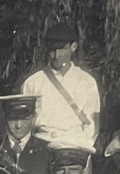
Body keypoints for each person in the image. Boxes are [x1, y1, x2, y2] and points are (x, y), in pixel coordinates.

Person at [17, 20, 101, 153]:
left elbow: (92, 124)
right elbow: (24, 123)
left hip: (75, 147)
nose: (57, 55)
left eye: (62, 49)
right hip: (41, 147)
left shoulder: (87, 82)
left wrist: (82, 150)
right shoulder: (33, 82)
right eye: (52, 50)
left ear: (73, 47)